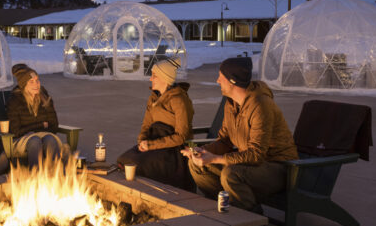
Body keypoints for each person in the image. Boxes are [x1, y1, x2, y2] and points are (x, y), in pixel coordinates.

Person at [181, 57, 298, 213]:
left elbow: (256, 154)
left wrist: (215, 158)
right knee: (196, 165)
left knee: (232, 174)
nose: (217, 81)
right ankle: (224, 209)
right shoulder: (231, 103)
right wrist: (201, 151)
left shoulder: (260, 105)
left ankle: (252, 219)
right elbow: (224, 142)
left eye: (220, 77)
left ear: (232, 81)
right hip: (251, 164)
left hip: (279, 167)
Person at [117, 57, 195, 190]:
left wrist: (151, 145)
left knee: (138, 164)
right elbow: (146, 124)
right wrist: (142, 140)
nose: (150, 79)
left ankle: (149, 194)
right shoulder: (153, 97)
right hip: (152, 142)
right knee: (123, 161)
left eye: (154, 76)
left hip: (171, 149)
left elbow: (181, 136)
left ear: (165, 78)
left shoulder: (179, 100)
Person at [4, 65, 65, 168]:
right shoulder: (15, 101)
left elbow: (54, 126)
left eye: (37, 80)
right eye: (31, 81)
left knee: (50, 139)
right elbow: (15, 132)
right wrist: (40, 125)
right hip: (20, 142)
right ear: (24, 85)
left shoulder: (45, 98)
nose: (36, 84)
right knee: (34, 141)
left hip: (44, 137)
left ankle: (57, 176)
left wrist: (36, 130)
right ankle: (35, 176)